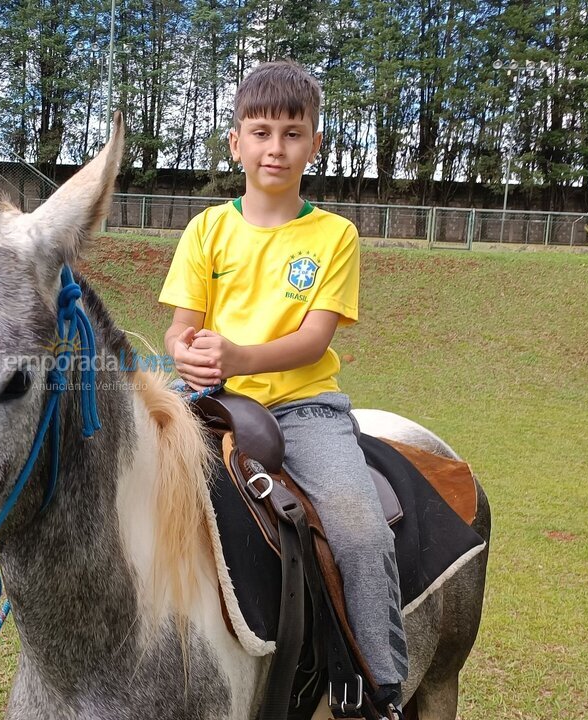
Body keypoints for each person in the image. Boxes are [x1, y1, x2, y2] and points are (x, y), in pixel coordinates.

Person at [158, 60, 406, 712]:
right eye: (261, 131)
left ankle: (374, 681)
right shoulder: (207, 230)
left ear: (314, 145)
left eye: (292, 133)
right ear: (235, 141)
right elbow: (180, 331)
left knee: (358, 529)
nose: (276, 147)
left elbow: (314, 340)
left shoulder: (334, 237)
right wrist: (189, 358)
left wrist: (236, 351)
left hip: (303, 410)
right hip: (209, 406)